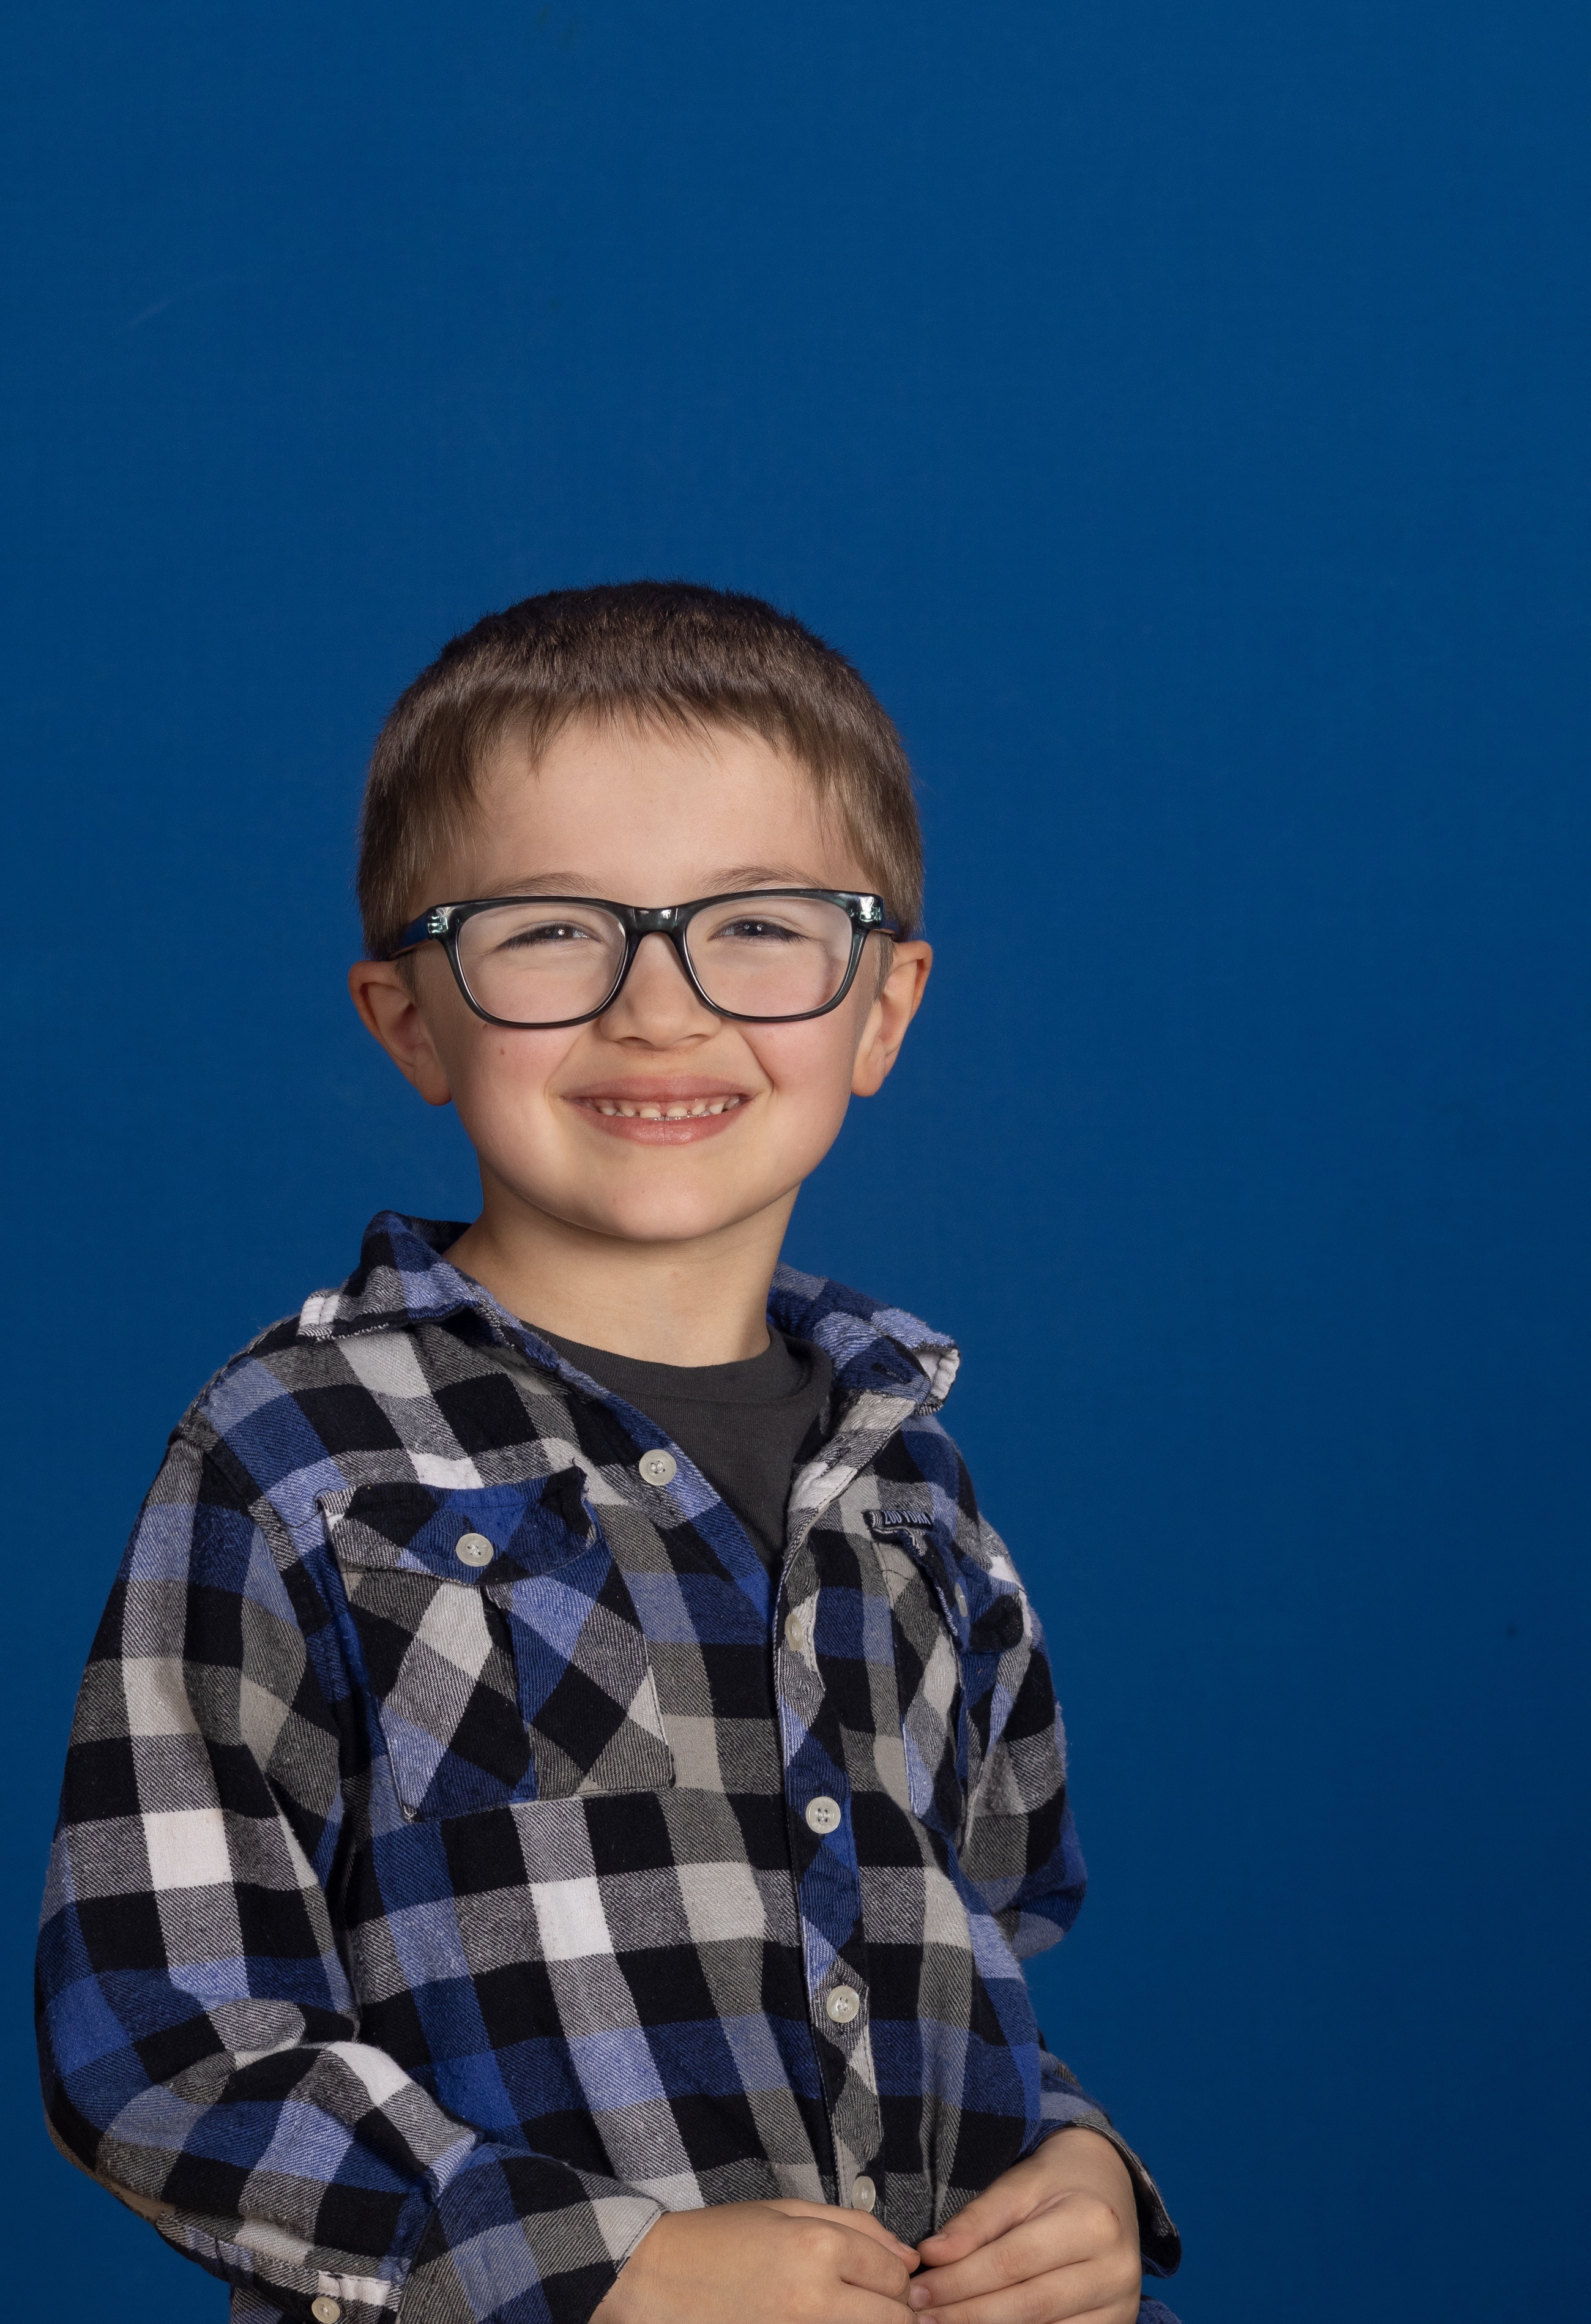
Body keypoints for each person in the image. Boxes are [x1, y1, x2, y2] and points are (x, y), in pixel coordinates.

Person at [36, 583, 1182, 2324]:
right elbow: (161, 2038)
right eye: (552, 929)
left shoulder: (915, 1490)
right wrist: (607, 2268)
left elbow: (977, 1950)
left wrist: (1079, 2170)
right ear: (408, 1016)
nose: (660, 1008)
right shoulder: (299, 1457)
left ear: (883, 1007)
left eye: (761, 925)